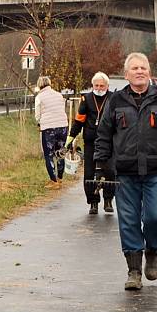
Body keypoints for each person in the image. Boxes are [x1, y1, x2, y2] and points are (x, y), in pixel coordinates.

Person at [94, 53, 157, 291]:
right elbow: (104, 135)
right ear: (126, 74)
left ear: (150, 72)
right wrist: (99, 166)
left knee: (155, 217)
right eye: (135, 68)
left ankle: (152, 250)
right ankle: (134, 270)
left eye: (144, 67)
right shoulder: (116, 101)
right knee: (128, 221)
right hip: (125, 173)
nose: (140, 71)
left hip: (155, 172)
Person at [66, 72, 116, 214]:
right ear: (92, 85)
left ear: (107, 86)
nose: (99, 88)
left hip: (109, 142)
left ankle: (108, 200)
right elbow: (79, 120)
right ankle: (93, 202)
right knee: (89, 174)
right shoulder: (86, 99)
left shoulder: (113, 98)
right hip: (91, 141)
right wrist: (71, 138)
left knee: (110, 171)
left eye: (102, 85)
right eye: (96, 85)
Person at [34, 76, 69, 189]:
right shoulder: (58, 95)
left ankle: (53, 181)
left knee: (48, 154)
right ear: (49, 84)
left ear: (39, 85)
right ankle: (60, 178)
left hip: (48, 127)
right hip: (63, 125)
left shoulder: (39, 97)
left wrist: (39, 123)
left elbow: (38, 114)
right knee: (60, 152)